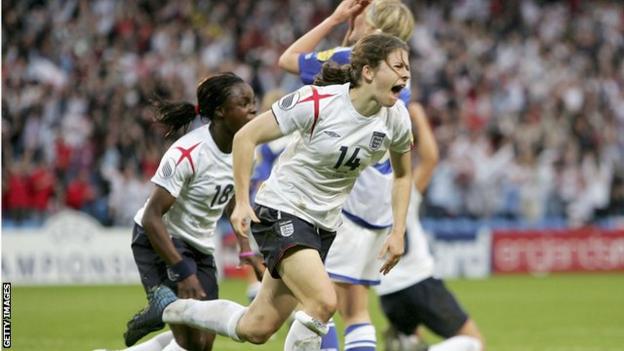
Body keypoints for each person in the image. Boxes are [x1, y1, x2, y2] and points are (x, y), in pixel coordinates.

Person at [146, 32, 414, 351]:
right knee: (323, 301)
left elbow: (403, 175)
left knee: (257, 327)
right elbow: (246, 136)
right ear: (368, 72)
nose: (406, 73)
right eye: (397, 65)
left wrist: (398, 231)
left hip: (324, 225)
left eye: (407, 67)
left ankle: (177, 309)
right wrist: (242, 203)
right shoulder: (317, 103)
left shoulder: (396, 119)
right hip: (283, 209)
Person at [278, 1, 417, 349]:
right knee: (356, 311)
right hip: (378, 204)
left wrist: (337, 18)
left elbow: (289, 58)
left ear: (371, 24)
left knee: (312, 300)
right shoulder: (399, 77)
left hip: (342, 201)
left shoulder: (347, 59)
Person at [120, 72, 262, 351]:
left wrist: (246, 251)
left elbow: (236, 202)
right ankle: (161, 305)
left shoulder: (247, 150)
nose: (253, 109)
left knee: (202, 342)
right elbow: (151, 217)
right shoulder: (188, 152)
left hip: (201, 246)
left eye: (253, 101)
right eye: (244, 103)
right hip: (162, 241)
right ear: (220, 111)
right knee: (190, 342)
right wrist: (183, 270)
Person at [377, 104, 485, 351]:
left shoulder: (362, 198)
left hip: (388, 292)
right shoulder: (403, 189)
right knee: (474, 343)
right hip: (419, 281)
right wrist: (418, 115)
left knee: (410, 340)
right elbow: (431, 159)